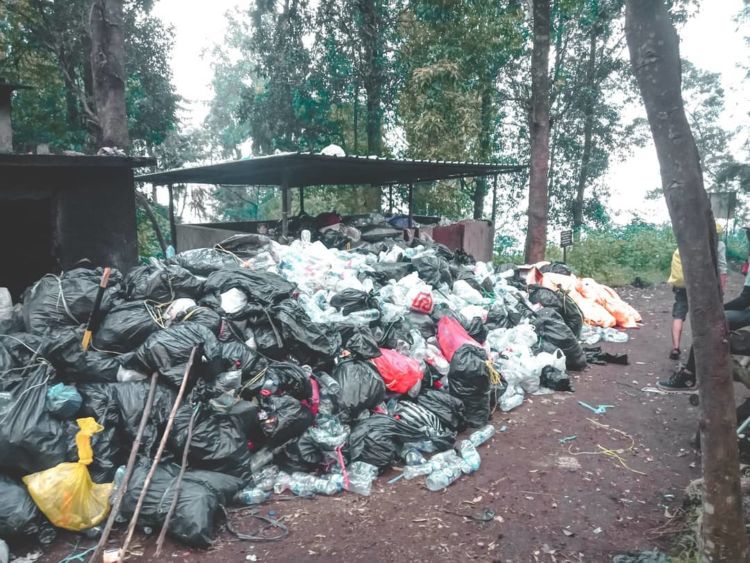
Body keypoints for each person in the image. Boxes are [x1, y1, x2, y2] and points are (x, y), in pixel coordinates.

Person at [666, 224, 727, 361]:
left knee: (679, 315)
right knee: (704, 316)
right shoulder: (719, 245)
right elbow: (722, 268)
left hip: (683, 284)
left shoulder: (690, 240)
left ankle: (676, 347)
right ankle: (705, 349)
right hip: (704, 287)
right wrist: (720, 291)